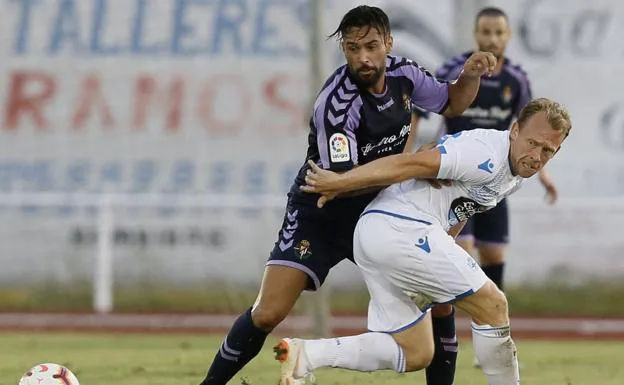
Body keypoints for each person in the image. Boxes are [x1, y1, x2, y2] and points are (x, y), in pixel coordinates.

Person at [198, 5, 496, 385]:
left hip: (380, 210)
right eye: (353, 48)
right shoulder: (337, 105)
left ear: (388, 42)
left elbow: (452, 101)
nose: (363, 57)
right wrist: (414, 168)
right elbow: (345, 180)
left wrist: (468, 76)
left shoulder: (406, 74)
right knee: (268, 313)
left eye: (371, 46)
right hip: (322, 211)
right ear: (344, 49)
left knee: (439, 298)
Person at [276, 97, 572, 385]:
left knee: (416, 352)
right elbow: (409, 164)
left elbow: (462, 208)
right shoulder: (484, 153)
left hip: (379, 235)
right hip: (400, 228)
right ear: (515, 130)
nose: (537, 156)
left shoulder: (513, 173)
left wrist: (443, 254)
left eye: (548, 150)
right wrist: (341, 181)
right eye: (533, 143)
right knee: (493, 305)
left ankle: (305, 355)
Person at [415, 6, 558, 296]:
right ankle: (447, 325)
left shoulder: (516, 79)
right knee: (459, 250)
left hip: (495, 180)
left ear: (508, 36)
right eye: (486, 32)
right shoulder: (456, 70)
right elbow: (419, 112)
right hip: (455, 179)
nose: (492, 39)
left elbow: (531, 130)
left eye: (498, 33)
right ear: (476, 34)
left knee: (493, 254)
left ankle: (492, 321)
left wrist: (544, 177)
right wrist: (407, 159)